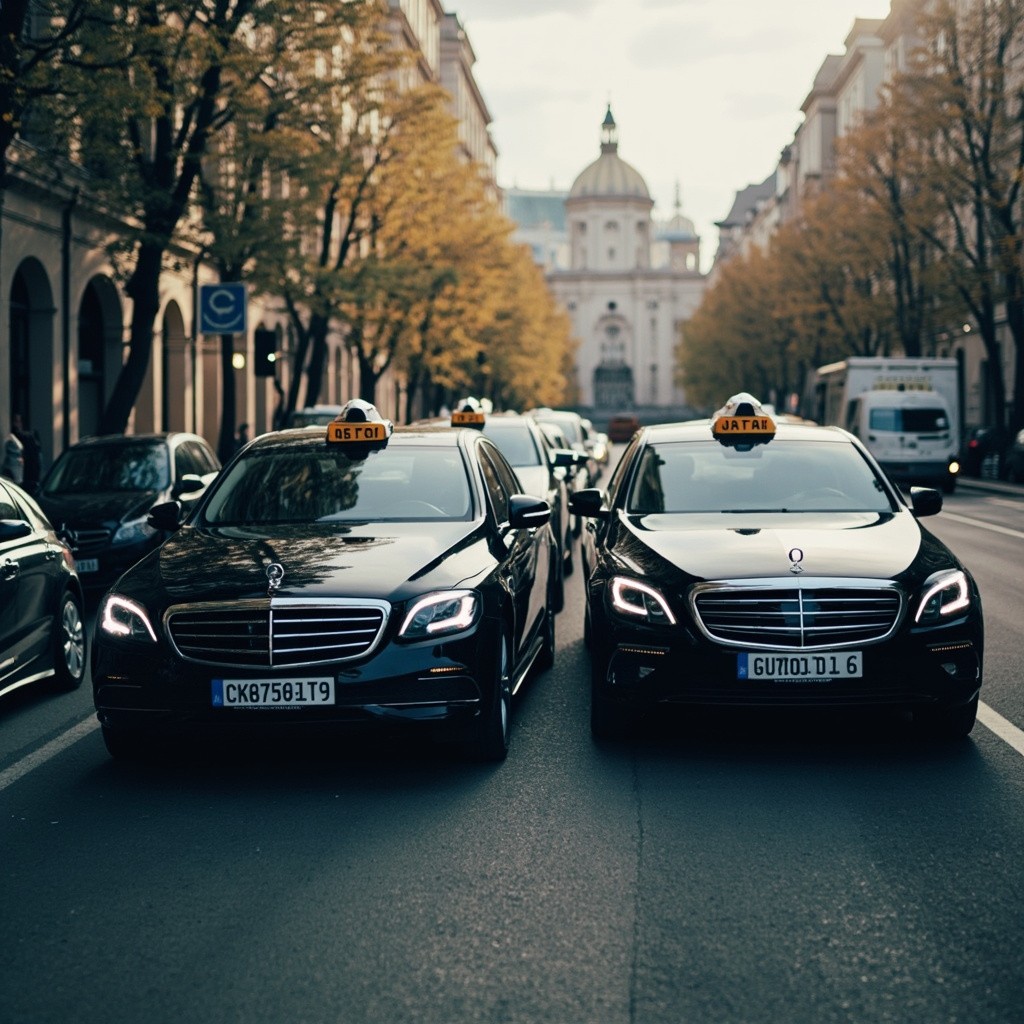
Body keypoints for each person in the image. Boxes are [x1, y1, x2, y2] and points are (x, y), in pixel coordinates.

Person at [11, 413, 42, 494]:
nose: (17, 424)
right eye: (15, 421)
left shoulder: (28, 437)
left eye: (18, 421)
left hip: (29, 475)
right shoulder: (19, 437)